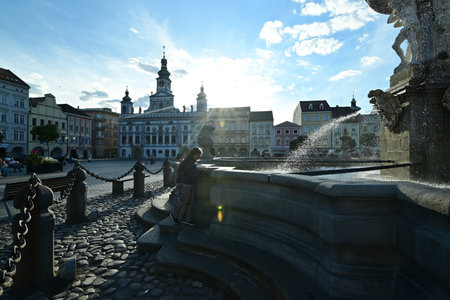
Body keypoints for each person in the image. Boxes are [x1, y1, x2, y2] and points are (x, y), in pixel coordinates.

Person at [170, 146, 203, 225]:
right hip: (185, 183)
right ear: (193, 155)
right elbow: (191, 173)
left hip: (189, 183)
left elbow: (192, 171)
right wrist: (200, 171)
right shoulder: (188, 162)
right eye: (197, 156)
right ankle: (175, 216)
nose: (198, 158)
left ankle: (186, 219)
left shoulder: (191, 162)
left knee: (190, 202)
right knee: (184, 201)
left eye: (199, 156)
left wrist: (199, 170)